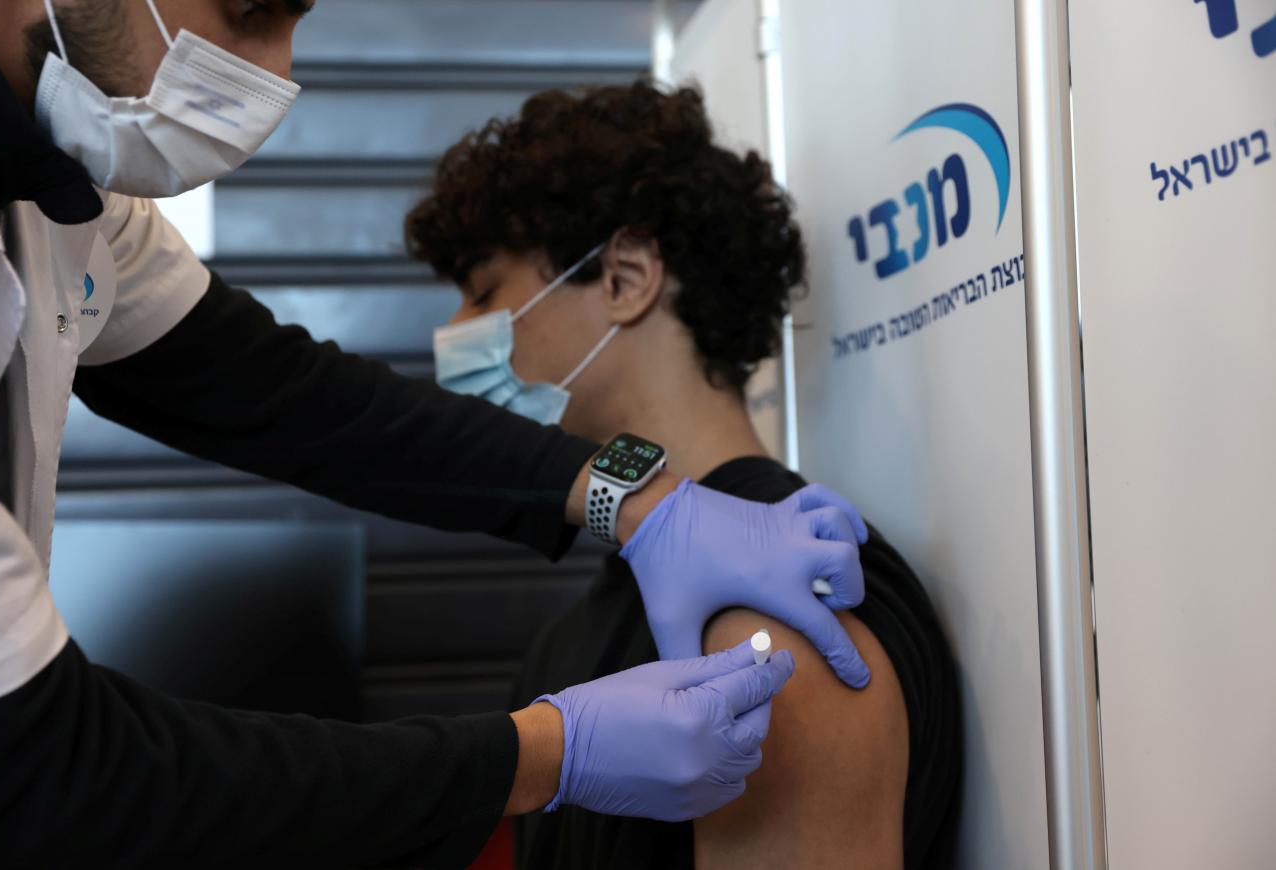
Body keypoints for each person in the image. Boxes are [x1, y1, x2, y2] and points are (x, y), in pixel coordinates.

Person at [0, 2, 877, 866]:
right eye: (250, 7)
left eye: (482, 290)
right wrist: (543, 755)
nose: (279, 73)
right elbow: (54, 768)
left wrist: (640, 503)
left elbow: (288, 396)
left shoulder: (66, 204)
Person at [406, 81, 964, 869]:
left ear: (626, 278)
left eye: (482, 293)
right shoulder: (594, 618)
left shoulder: (779, 613)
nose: (454, 334)